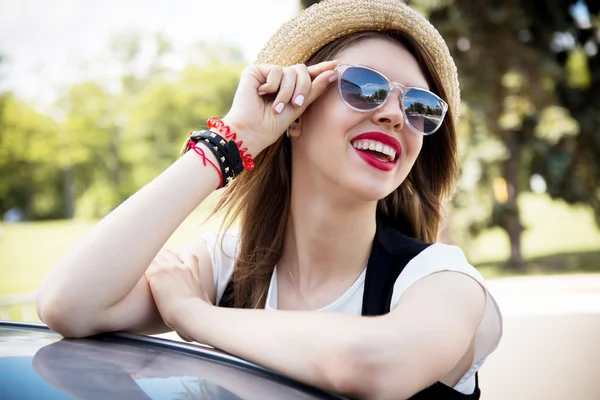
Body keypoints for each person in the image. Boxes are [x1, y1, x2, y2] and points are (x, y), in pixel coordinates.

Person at [35, 0, 503, 398]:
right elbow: (69, 304)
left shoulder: (442, 279)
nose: (394, 115)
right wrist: (233, 139)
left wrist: (194, 316)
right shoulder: (223, 265)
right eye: (364, 87)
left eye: (418, 105)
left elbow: (374, 365)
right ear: (295, 113)